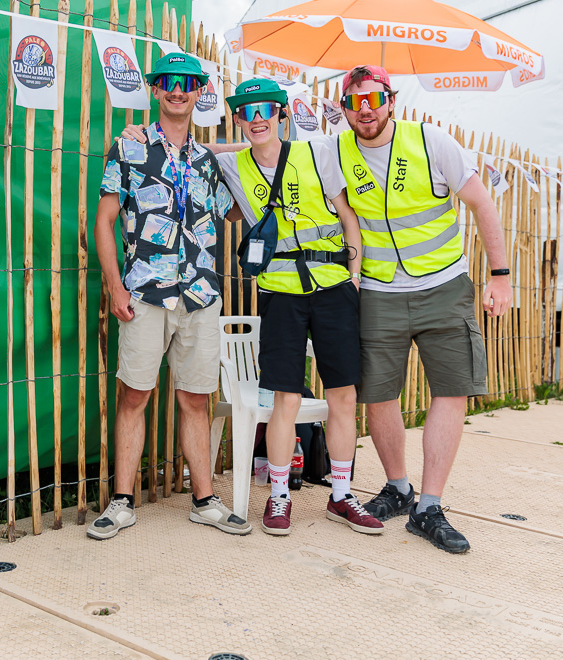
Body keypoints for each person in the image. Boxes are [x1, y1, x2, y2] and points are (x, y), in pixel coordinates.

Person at [329, 64, 511, 554]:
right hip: (379, 290)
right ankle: (398, 487)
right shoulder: (335, 150)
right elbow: (268, 152)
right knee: (378, 394)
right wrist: (198, 149)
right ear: (343, 108)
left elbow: (482, 204)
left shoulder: (432, 141)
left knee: (452, 389)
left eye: (374, 100)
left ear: (391, 101)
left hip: (444, 286)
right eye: (354, 102)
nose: (365, 111)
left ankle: (429, 506)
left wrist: (500, 275)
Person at [91, 52, 250, 540]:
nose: (178, 90)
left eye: (187, 82)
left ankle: (204, 500)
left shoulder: (208, 161)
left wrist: (244, 152)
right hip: (145, 292)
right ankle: (121, 502)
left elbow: (231, 213)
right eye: (168, 81)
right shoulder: (129, 147)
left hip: (200, 294)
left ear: (200, 91)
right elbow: (104, 220)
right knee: (134, 395)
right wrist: (115, 285)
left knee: (196, 399)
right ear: (156, 89)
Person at [217, 78, 381, 537]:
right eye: (247, 112)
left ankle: (341, 495)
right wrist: (136, 134)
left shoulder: (316, 153)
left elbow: (347, 214)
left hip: (333, 287)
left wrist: (354, 275)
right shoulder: (233, 165)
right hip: (280, 293)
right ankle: (279, 495)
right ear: (237, 119)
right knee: (284, 398)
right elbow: (197, 149)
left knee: (343, 394)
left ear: (281, 114)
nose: (257, 119)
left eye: (266, 110)